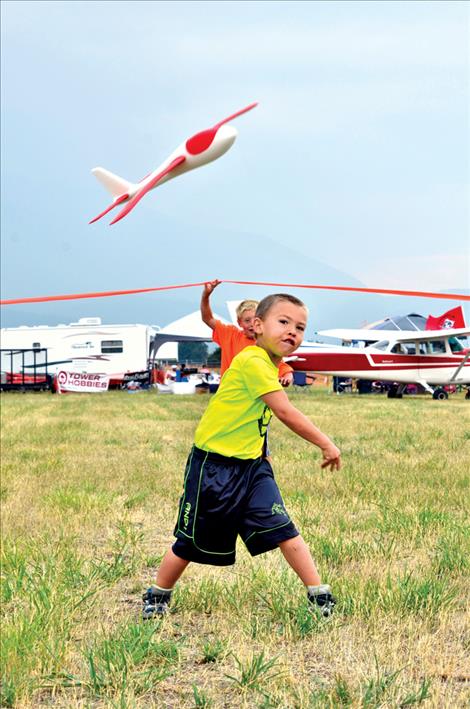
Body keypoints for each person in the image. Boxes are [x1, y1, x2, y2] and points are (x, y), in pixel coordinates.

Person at [143, 293, 341, 620]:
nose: (293, 331)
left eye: (301, 327)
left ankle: (319, 595)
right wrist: (326, 443)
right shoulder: (252, 360)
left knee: (283, 528)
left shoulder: (271, 365)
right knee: (190, 542)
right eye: (284, 322)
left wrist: (264, 456)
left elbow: (254, 418)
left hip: (252, 467)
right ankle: (158, 594)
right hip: (214, 467)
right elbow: (283, 411)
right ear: (257, 326)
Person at [201, 279, 294, 386]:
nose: (251, 324)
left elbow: (282, 366)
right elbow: (207, 318)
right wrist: (206, 295)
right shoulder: (229, 334)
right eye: (247, 320)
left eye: (255, 319)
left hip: (256, 395)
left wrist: (287, 376)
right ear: (239, 322)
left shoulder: (268, 343)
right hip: (230, 394)